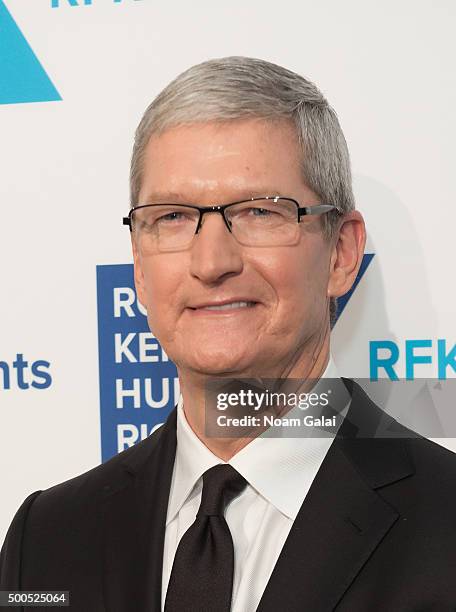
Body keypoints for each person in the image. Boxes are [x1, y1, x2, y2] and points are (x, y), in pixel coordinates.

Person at [1, 56, 456, 612]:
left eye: (260, 212)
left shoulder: (447, 525)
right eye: (171, 218)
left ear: (341, 251)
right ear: (139, 267)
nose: (211, 261)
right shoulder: (45, 537)